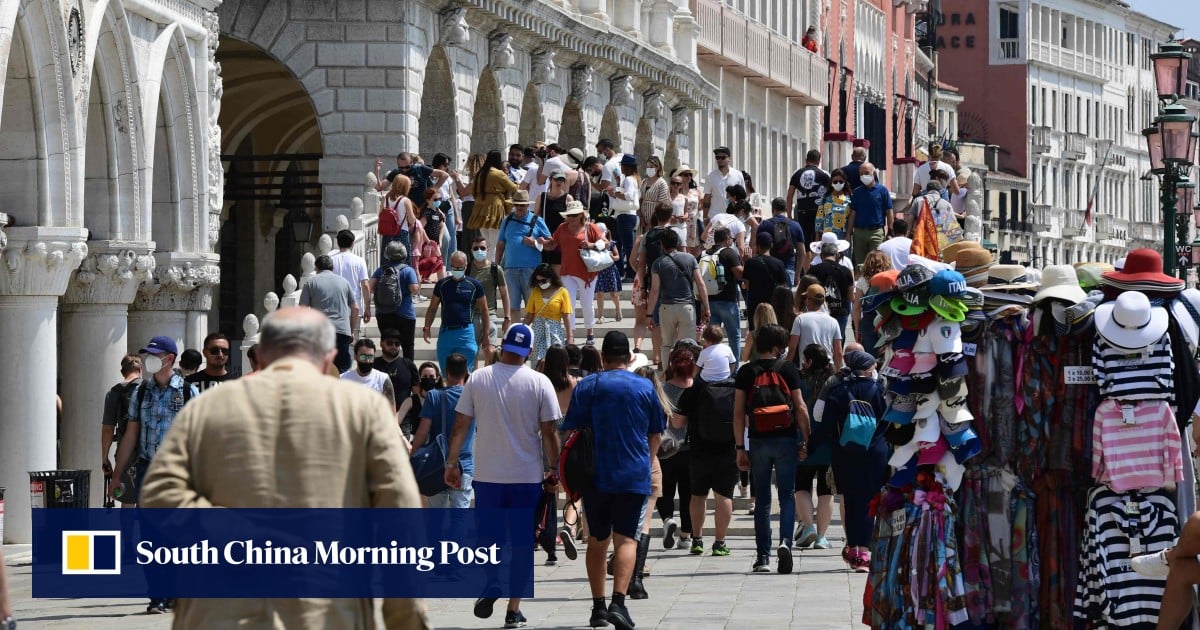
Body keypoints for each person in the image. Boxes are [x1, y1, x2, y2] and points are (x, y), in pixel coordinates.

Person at [139, 307, 428, 628]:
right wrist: (405, 618)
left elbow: (159, 494)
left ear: (259, 355)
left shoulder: (206, 408)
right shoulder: (364, 409)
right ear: (329, 356)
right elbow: (400, 515)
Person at [445, 323, 562, 630]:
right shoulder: (540, 382)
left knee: (489, 539)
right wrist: (554, 469)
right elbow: (549, 432)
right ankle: (513, 610)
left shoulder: (479, 378)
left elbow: (461, 425)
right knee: (523, 543)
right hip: (526, 476)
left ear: (504, 345)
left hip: (488, 475)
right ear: (529, 351)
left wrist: (451, 463)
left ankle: (492, 582)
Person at [561, 331, 664, 629]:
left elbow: (572, 431)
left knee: (597, 540)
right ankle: (619, 602)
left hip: (595, 475)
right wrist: (647, 461)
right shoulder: (644, 386)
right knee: (627, 539)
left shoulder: (587, 386)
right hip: (632, 474)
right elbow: (656, 433)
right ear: (629, 358)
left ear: (603, 358)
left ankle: (598, 608)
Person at [108, 335, 199, 614]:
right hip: (148, 468)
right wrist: (117, 473)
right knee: (150, 535)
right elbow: (131, 435)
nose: (150, 359)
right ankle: (157, 595)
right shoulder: (142, 392)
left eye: (155, 354)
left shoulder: (186, 391)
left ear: (169, 359)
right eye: (148, 354)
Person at [733, 324, 810, 574]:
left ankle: (762, 557)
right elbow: (800, 407)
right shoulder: (788, 369)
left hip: (757, 440)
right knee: (787, 495)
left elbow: (737, 413)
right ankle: (785, 542)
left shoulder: (746, 372)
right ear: (777, 347)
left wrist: (739, 447)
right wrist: (806, 439)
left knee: (763, 500)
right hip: (785, 439)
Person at [810, 350, 887, 573]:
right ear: (867, 368)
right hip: (874, 452)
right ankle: (864, 552)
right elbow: (890, 422)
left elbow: (824, 425)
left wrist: (809, 447)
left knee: (851, 502)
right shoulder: (880, 389)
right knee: (869, 502)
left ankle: (853, 548)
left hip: (844, 453)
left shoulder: (839, 389)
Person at [413, 353, 473, 509]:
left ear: (446, 371)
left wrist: (412, 455)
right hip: (463, 466)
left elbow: (422, 432)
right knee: (459, 519)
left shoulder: (434, 396)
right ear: (466, 372)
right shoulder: (473, 397)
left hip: (436, 466)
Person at [541, 200, 604, 346]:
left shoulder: (590, 227)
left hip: (587, 272)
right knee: (568, 304)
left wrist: (592, 245)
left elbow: (605, 243)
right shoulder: (562, 228)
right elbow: (552, 244)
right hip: (567, 271)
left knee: (587, 303)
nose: (572, 218)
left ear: (581, 215)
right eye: (570, 215)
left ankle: (590, 332)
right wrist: (540, 243)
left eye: (575, 215)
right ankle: (570, 335)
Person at [793, 344, 835, 550]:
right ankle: (821, 536)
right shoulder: (833, 382)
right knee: (826, 490)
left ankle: (808, 526)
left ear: (809, 361)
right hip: (827, 443)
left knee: (801, 486)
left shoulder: (799, 381)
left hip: (803, 440)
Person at [648, 229, 711, 368]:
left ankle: (666, 372)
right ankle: (687, 374)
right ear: (677, 243)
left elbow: (654, 291)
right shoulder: (690, 258)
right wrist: (706, 307)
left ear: (662, 245)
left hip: (666, 307)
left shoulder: (658, 263)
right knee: (688, 345)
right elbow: (701, 284)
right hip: (687, 307)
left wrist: (649, 313)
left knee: (666, 344)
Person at [540, 345, 582, 551]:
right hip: (569, 435)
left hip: (547, 433)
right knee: (572, 484)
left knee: (550, 481)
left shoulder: (541, 382)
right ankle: (569, 526)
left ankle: (547, 528)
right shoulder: (574, 383)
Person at [424, 251, 491, 372]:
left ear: (466, 266)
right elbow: (432, 308)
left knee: (466, 372)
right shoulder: (442, 284)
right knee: (446, 372)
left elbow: (485, 310)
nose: (457, 270)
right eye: (454, 267)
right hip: (446, 331)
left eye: (460, 268)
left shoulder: (474, 285)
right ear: (450, 265)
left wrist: (485, 333)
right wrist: (427, 327)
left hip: (466, 332)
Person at [658, 344, 695, 549]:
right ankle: (686, 535)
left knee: (666, 490)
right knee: (688, 493)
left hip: (667, 447)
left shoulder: (663, 389)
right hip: (691, 448)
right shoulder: (696, 387)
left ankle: (667, 519)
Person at [495, 190, 551, 323]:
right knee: (512, 307)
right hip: (510, 270)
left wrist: (535, 243)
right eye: (517, 205)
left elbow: (551, 243)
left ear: (527, 206)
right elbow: (500, 244)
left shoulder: (537, 220)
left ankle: (528, 335)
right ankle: (516, 335)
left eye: (523, 205)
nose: (519, 208)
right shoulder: (507, 220)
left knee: (532, 307)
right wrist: (496, 266)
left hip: (531, 270)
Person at [299, 254, 358, 373]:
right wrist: (351, 331)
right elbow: (355, 308)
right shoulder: (344, 282)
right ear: (332, 267)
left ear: (316, 268)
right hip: (342, 331)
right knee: (341, 370)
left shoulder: (310, 283)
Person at [631, 204, 674, 363]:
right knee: (669, 322)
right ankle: (667, 357)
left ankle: (657, 357)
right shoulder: (675, 233)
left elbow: (640, 264)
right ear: (671, 215)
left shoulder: (648, 236)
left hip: (652, 281)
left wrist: (642, 286)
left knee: (656, 321)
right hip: (672, 281)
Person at [370, 241, 421, 362]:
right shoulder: (408, 270)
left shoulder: (381, 270)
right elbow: (414, 288)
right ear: (403, 254)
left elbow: (370, 287)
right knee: (408, 346)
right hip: (405, 314)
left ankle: (387, 369)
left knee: (387, 345)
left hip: (383, 313)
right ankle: (409, 372)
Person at [101, 354, 142, 490]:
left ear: (122, 372)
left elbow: (107, 429)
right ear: (141, 370)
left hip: (125, 456)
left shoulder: (113, 393)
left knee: (127, 502)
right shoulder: (150, 389)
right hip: (149, 453)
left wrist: (105, 458)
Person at [469, 236, 512, 366]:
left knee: (491, 353)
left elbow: (504, 294)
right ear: (471, 250)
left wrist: (507, 317)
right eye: (476, 248)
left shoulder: (495, 269)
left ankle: (489, 383)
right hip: (471, 316)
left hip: (491, 315)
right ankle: (474, 382)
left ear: (487, 249)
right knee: (472, 354)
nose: (479, 251)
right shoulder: (466, 269)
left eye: (482, 248)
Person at [703, 226, 745, 357]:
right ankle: (734, 370)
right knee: (734, 336)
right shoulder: (729, 252)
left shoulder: (704, 253)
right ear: (727, 239)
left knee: (711, 338)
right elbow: (740, 274)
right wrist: (745, 261)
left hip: (709, 301)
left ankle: (713, 366)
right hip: (728, 301)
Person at [466, 149, 519, 246]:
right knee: (495, 242)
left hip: (479, 208)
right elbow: (513, 188)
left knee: (486, 243)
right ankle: (493, 262)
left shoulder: (479, 173)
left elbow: (473, 192)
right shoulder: (499, 173)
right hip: (495, 208)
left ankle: (487, 261)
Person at [524, 263, 574, 362]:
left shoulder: (562, 292)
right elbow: (529, 316)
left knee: (555, 360)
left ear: (551, 277)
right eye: (538, 281)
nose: (541, 283)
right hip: (537, 331)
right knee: (537, 361)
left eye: (543, 281)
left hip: (554, 331)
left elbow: (566, 317)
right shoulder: (535, 291)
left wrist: (570, 337)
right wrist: (520, 329)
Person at [741, 232, 789, 333]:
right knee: (773, 330)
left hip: (755, 303)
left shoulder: (750, 263)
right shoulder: (779, 263)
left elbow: (747, 286)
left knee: (756, 331)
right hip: (773, 302)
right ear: (771, 245)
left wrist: (745, 262)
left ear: (757, 245)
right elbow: (783, 285)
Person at [846, 162, 893, 267]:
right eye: (861, 173)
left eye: (866, 172)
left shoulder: (882, 190)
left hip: (876, 233)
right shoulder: (857, 192)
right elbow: (853, 213)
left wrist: (890, 231)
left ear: (874, 173)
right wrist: (848, 233)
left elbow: (889, 212)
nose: (863, 175)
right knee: (860, 265)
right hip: (859, 233)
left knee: (877, 263)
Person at [788, 284, 845, 370]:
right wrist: (837, 372)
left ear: (809, 300)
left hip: (807, 367)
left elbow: (792, 348)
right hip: (827, 367)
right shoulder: (833, 321)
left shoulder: (800, 319)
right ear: (823, 301)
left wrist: (786, 367)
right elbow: (839, 352)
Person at [808, 240, 855, 336]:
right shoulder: (845, 271)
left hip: (819, 312)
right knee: (838, 341)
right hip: (840, 312)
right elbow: (850, 297)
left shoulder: (813, 270)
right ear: (837, 255)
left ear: (821, 255)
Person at [330, 229, 372, 335]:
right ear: (353, 243)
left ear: (337, 243)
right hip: (353, 308)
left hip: (333, 308)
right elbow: (365, 286)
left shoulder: (330, 260)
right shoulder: (359, 261)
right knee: (353, 342)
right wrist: (367, 307)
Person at [786, 149, 831, 246]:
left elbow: (790, 196)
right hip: (819, 211)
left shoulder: (797, 173)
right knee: (817, 238)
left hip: (802, 210)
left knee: (804, 239)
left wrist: (789, 215)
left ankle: (806, 258)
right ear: (819, 161)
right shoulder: (824, 174)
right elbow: (830, 194)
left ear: (806, 160)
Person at [758, 197, 807, 284]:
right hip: (789, 268)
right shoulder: (795, 225)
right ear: (786, 209)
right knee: (786, 296)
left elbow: (756, 249)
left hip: (769, 269)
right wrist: (797, 274)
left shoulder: (764, 225)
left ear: (772, 209)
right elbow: (802, 253)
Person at [853, 251, 893, 355]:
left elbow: (857, 307)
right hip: (888, 321)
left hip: (868, 323)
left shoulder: (862, 281)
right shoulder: (891, 279)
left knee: (871, 356)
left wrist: (857, 331)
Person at [340, 338, 397, 411]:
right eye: (363, 357)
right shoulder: (343, 379)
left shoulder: (382, 379)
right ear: (355, 356)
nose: (367, 361)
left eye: (370, 357)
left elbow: (391, 412)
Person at [610, 155, 641, 281]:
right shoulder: (634, 179)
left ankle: (630, 273)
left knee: (626, 246)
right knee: (625, 244)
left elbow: (628, 196)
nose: (621, 167)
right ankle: (626, 272)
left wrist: (614, 193)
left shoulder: (629, 179)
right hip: (630, 215)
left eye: (622, 165)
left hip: (625, 215)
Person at [379, 174, 421, 267]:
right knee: (403, 260)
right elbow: (411, 220)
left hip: (388, 233)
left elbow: (381, 214)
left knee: (387, 258)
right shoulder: (405, 200)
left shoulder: (385, 198)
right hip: (402, 232)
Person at [374, 328, 419, 407]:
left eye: (397, 344)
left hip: (403, 414)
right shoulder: (373, 365)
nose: (393, 346)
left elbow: (416, 393)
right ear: (381, 343)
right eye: (389, 343)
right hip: (377, 413)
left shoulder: (408, 365)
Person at [454, 153, 486, 253]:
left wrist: (457, 179)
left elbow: (463, 192)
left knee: (471, 236)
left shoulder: (478, 177)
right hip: (472, 206)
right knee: (470, 234)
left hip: (471, 206)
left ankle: (471, 258)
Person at [702, 146, 746, 219]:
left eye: (723, 157)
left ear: (729, 158)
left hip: (733, 216)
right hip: (716, 216)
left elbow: (742, 198)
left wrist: (741, 216)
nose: (720, 159)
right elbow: (707, 198)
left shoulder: (738, 175)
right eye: (717, 157)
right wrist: (705, 217)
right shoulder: (710, 175)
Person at [593, 222, 623, 323]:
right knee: (599, 294)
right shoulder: (594, 244)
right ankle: (601, 316)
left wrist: (612, 257)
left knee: (613, 293)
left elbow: (618, 257)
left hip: (610, 270)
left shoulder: (611, 243)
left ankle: (618, 310)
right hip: (599, 270)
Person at [417, 188, 449, 283]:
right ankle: (438, 282)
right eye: (435, 199)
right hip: (427, 243)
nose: (438, 201)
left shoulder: (438, 213)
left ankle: (441, 283)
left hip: (435, 242)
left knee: (437, 262)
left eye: (439, 199)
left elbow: (442, 226)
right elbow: (420, 227)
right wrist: (428, 241)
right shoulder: (427, 212)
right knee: (430, 262)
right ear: (428, 200)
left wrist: (440, 240)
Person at [815, 169, 853, 241]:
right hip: (827, 236)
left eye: (841, 181)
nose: (838, 183)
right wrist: (817, 239)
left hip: (843, 236)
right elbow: (819, 220)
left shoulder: (849, 199)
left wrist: (848, 235)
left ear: (844, 182)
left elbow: (851, 219)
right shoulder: (825, 199)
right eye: (835, 182)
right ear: (831, 183)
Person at [639, 156, 671, 233]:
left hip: (656, 220)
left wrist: (652, 220)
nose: (649, 169)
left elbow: (662, 204)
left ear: (658, 168)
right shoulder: (644, 182)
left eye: (651, 167)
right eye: (647, 167)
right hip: (643, 220)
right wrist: (640, 216)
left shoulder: (661, 183)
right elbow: (640, 199)